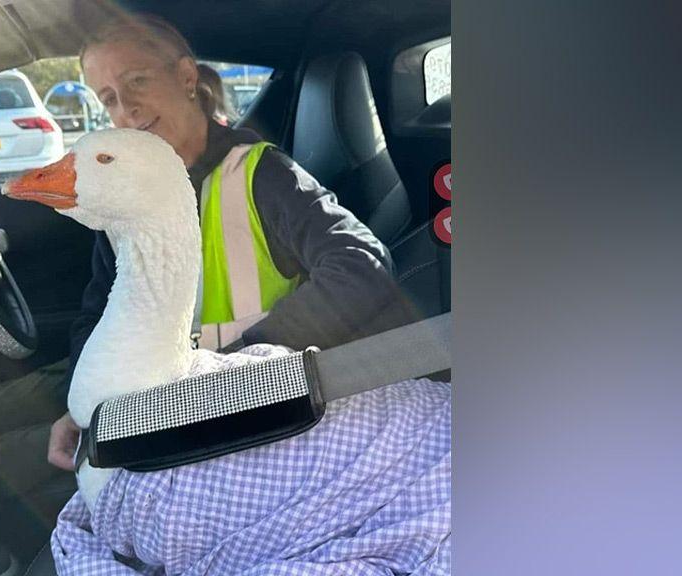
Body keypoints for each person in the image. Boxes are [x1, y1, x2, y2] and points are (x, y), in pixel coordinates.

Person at [45, 14, 413, 474]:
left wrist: (232, 371)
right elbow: (95, 317)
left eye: (137, 81)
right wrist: (84, 409)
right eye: (109, 99)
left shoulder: (260, 174)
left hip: (263, 429)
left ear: (185, 77)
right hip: (156, 430)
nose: (128, 109)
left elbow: (362, 264)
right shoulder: (127, 201)